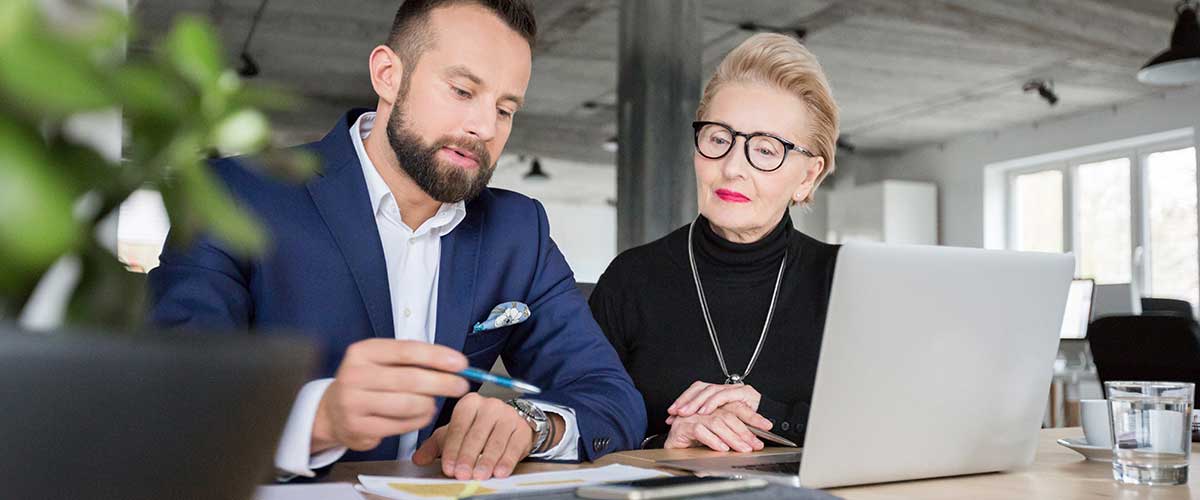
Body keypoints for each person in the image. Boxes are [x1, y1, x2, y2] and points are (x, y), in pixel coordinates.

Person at [147, 0, 645, 481]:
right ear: (388, 74)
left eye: (506, 108)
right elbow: (175, 399)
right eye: (462, 91)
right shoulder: (235, 194)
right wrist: (316, 420)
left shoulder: (519, 231)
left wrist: (532, 424)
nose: (485, 127)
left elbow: (611, 398)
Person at [589, 33, 840, 452]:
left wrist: (770, 414)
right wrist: (664, 440)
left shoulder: (844, 281)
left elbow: (894, 423)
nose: (732, 168)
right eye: (719, 139)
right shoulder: (631, 278)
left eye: (766, 149)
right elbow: (582, 423)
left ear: (808, 176)